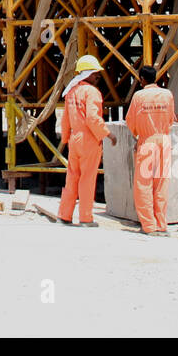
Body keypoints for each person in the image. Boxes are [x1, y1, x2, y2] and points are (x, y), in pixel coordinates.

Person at [57, 54, 115, 227]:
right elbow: (92, 118)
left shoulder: (72, 92)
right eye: (95, 72)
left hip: (75, 139)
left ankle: (64, 215)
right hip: (89, 139)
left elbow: (65, 119)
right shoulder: (92, 93)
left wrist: (66, 138)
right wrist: (107, 134)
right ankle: (85, 218)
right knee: (87, 179)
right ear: (87, 73)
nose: (98, 76)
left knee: (72, 178)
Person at [125, 65, 178, 236]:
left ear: (141, 79)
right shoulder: (167, 94)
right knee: (161, 184)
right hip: (164, 141)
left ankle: (149, 226)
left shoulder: (139, 96)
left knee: (143, 184)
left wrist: (138, 135)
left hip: (147, 141)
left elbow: (130, 121)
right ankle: (161, 224)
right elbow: (171, 119)